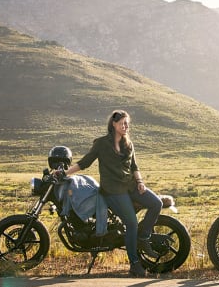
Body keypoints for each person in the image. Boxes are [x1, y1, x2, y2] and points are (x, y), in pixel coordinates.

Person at [62, 110, 163, 277]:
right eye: (123, 123)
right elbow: (85, 162)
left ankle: (143, 238)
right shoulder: (101, 144)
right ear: (114, 124)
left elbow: (134, 167)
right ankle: (134, 264)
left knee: (156, 203)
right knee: (131, 223)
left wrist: (140, 182)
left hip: (131, 186)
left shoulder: (128, 144)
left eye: (127, 123)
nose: (126, 126)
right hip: (113, 191)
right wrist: (65, 173)